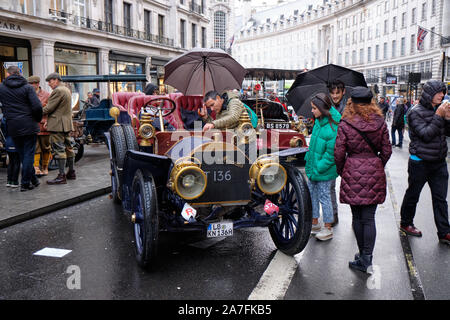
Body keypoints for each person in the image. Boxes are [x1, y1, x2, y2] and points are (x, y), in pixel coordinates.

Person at [334, 87, 392, 273]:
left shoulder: (345, 123)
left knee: (357, 217)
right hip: (374, 168)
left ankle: (363, 256)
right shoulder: (380, 122)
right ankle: (367, 257)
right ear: (371, 102)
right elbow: (387, 150)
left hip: (352, 168)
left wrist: (344, 170)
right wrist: (377, 164)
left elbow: (339, 152)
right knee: (369, 217)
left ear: (351, 103)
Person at [399, 80, 450, 245]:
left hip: (439, 162)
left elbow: (446, 134)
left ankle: (444, 232)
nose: (442, 95)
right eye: (439, 92)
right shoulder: (415, 112)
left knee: (440, 199)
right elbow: (426, 135)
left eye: (443, 92)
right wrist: (438, 116)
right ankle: (406, 223)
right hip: (420, 162)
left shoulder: (440, 110)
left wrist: (448, 119)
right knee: (413, 194)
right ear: (429, 94)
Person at [305, 93, 341, 241]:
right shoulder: (318, 122)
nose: (312, 111)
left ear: (321, 107)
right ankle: (314, 222)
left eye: (314, 108)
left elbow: (331, 154)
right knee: (312, 194)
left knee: (325, 197)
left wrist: (318, 166)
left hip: (324, 170)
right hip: (315, 168)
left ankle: (328, 227)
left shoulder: (333, 126)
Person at [0, 65, 43, 191]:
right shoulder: (28, 87)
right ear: (19, 73)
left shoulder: (2, 88)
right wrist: (37, 119)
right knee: (28, 154)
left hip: (13, 125)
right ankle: (25, 183)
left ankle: (33, 179)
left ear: (8, 74)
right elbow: (37, 107)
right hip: (29, 124)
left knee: (22, 153)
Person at [43, 72, 75, 185]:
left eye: (50, 81)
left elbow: (49, 108)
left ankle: (61, 176)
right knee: (69, 148)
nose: (49, 84)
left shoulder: (58, 91)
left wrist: (35, 112)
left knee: (59, 150)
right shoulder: (66, 89)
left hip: (58, 125)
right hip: (65, 123)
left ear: (56, 80)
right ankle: (71, 172)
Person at [327, 80, 346, 225]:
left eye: (337, 93)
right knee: (329, 186)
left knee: (352, 187)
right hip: (332, 150)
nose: (334, 96)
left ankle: (357, 220)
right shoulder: (326, 107)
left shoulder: (349, 108)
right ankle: (333, 215)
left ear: (343, 92)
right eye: (332, 93)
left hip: (346, 151)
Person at [28, 75, 51, 176]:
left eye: (32, 84)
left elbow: (51, 109)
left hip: (44, 125)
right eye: (29, 84)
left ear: (37, 84)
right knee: (35, 147)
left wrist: (48, 120)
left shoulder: (47, 95)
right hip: (32, 125)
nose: (31, 86)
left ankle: (45, 167)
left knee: (46, 147)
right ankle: (36, 167)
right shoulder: (27, 94)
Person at [1, 116, 20, 188]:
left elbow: (4, 131)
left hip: (8, 141)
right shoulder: (17, 117)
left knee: (11, 162)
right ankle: (15, 181)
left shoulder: (4, 118)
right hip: (16, 141)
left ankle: (9, 181)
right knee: (16, 162)